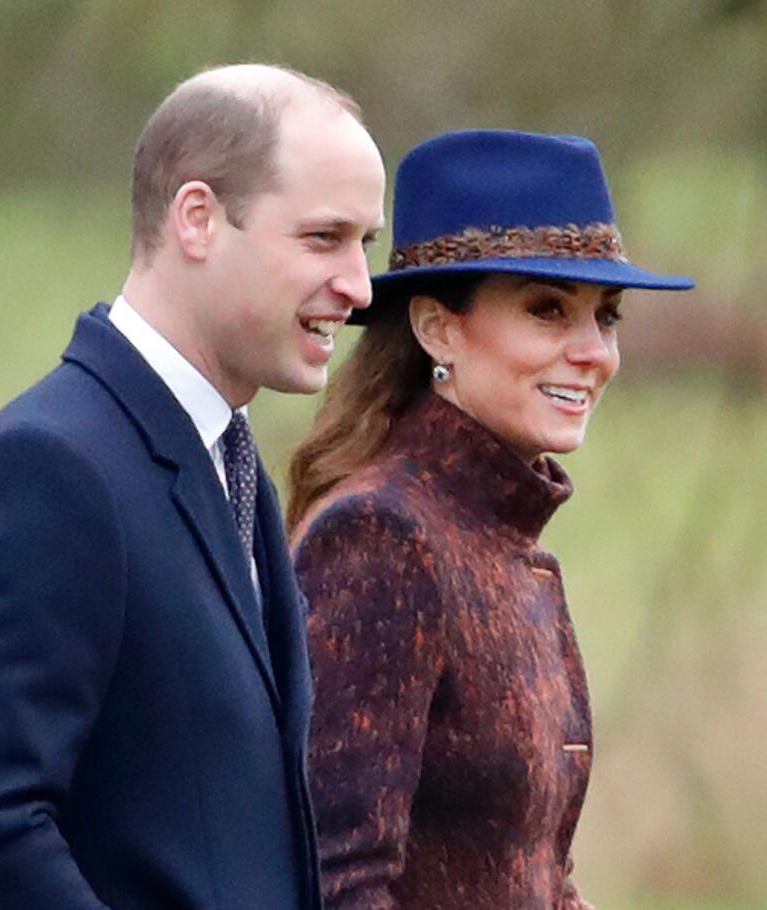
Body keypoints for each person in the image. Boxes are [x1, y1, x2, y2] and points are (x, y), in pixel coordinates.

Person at [0, 63, 386, 910]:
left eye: (364, 244)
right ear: (197, 219)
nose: (358, 286)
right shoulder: (51, 469)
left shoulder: (230, 464)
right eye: (323, 239)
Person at [287, 129, 694, 909]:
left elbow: (534, 874)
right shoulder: (384, 539)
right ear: (438, 327)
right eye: (548, 311)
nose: (594, 352)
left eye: (605, 316)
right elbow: (338, 882)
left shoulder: (504, 543)